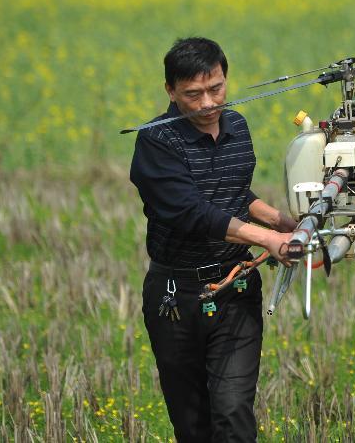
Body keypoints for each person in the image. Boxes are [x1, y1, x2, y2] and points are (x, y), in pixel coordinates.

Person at [130, 37, 295, 442]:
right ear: (170, 90)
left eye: (216, 88)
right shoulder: (156, 141)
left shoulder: (237, 125)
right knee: (193, 425)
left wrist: (279, 220)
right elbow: (192, 211)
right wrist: (264, 238)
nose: (207, 103)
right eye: (193, 94)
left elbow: (236, 194)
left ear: (225, 78)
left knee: (234, 411)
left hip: (235, 287)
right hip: (177, 295)